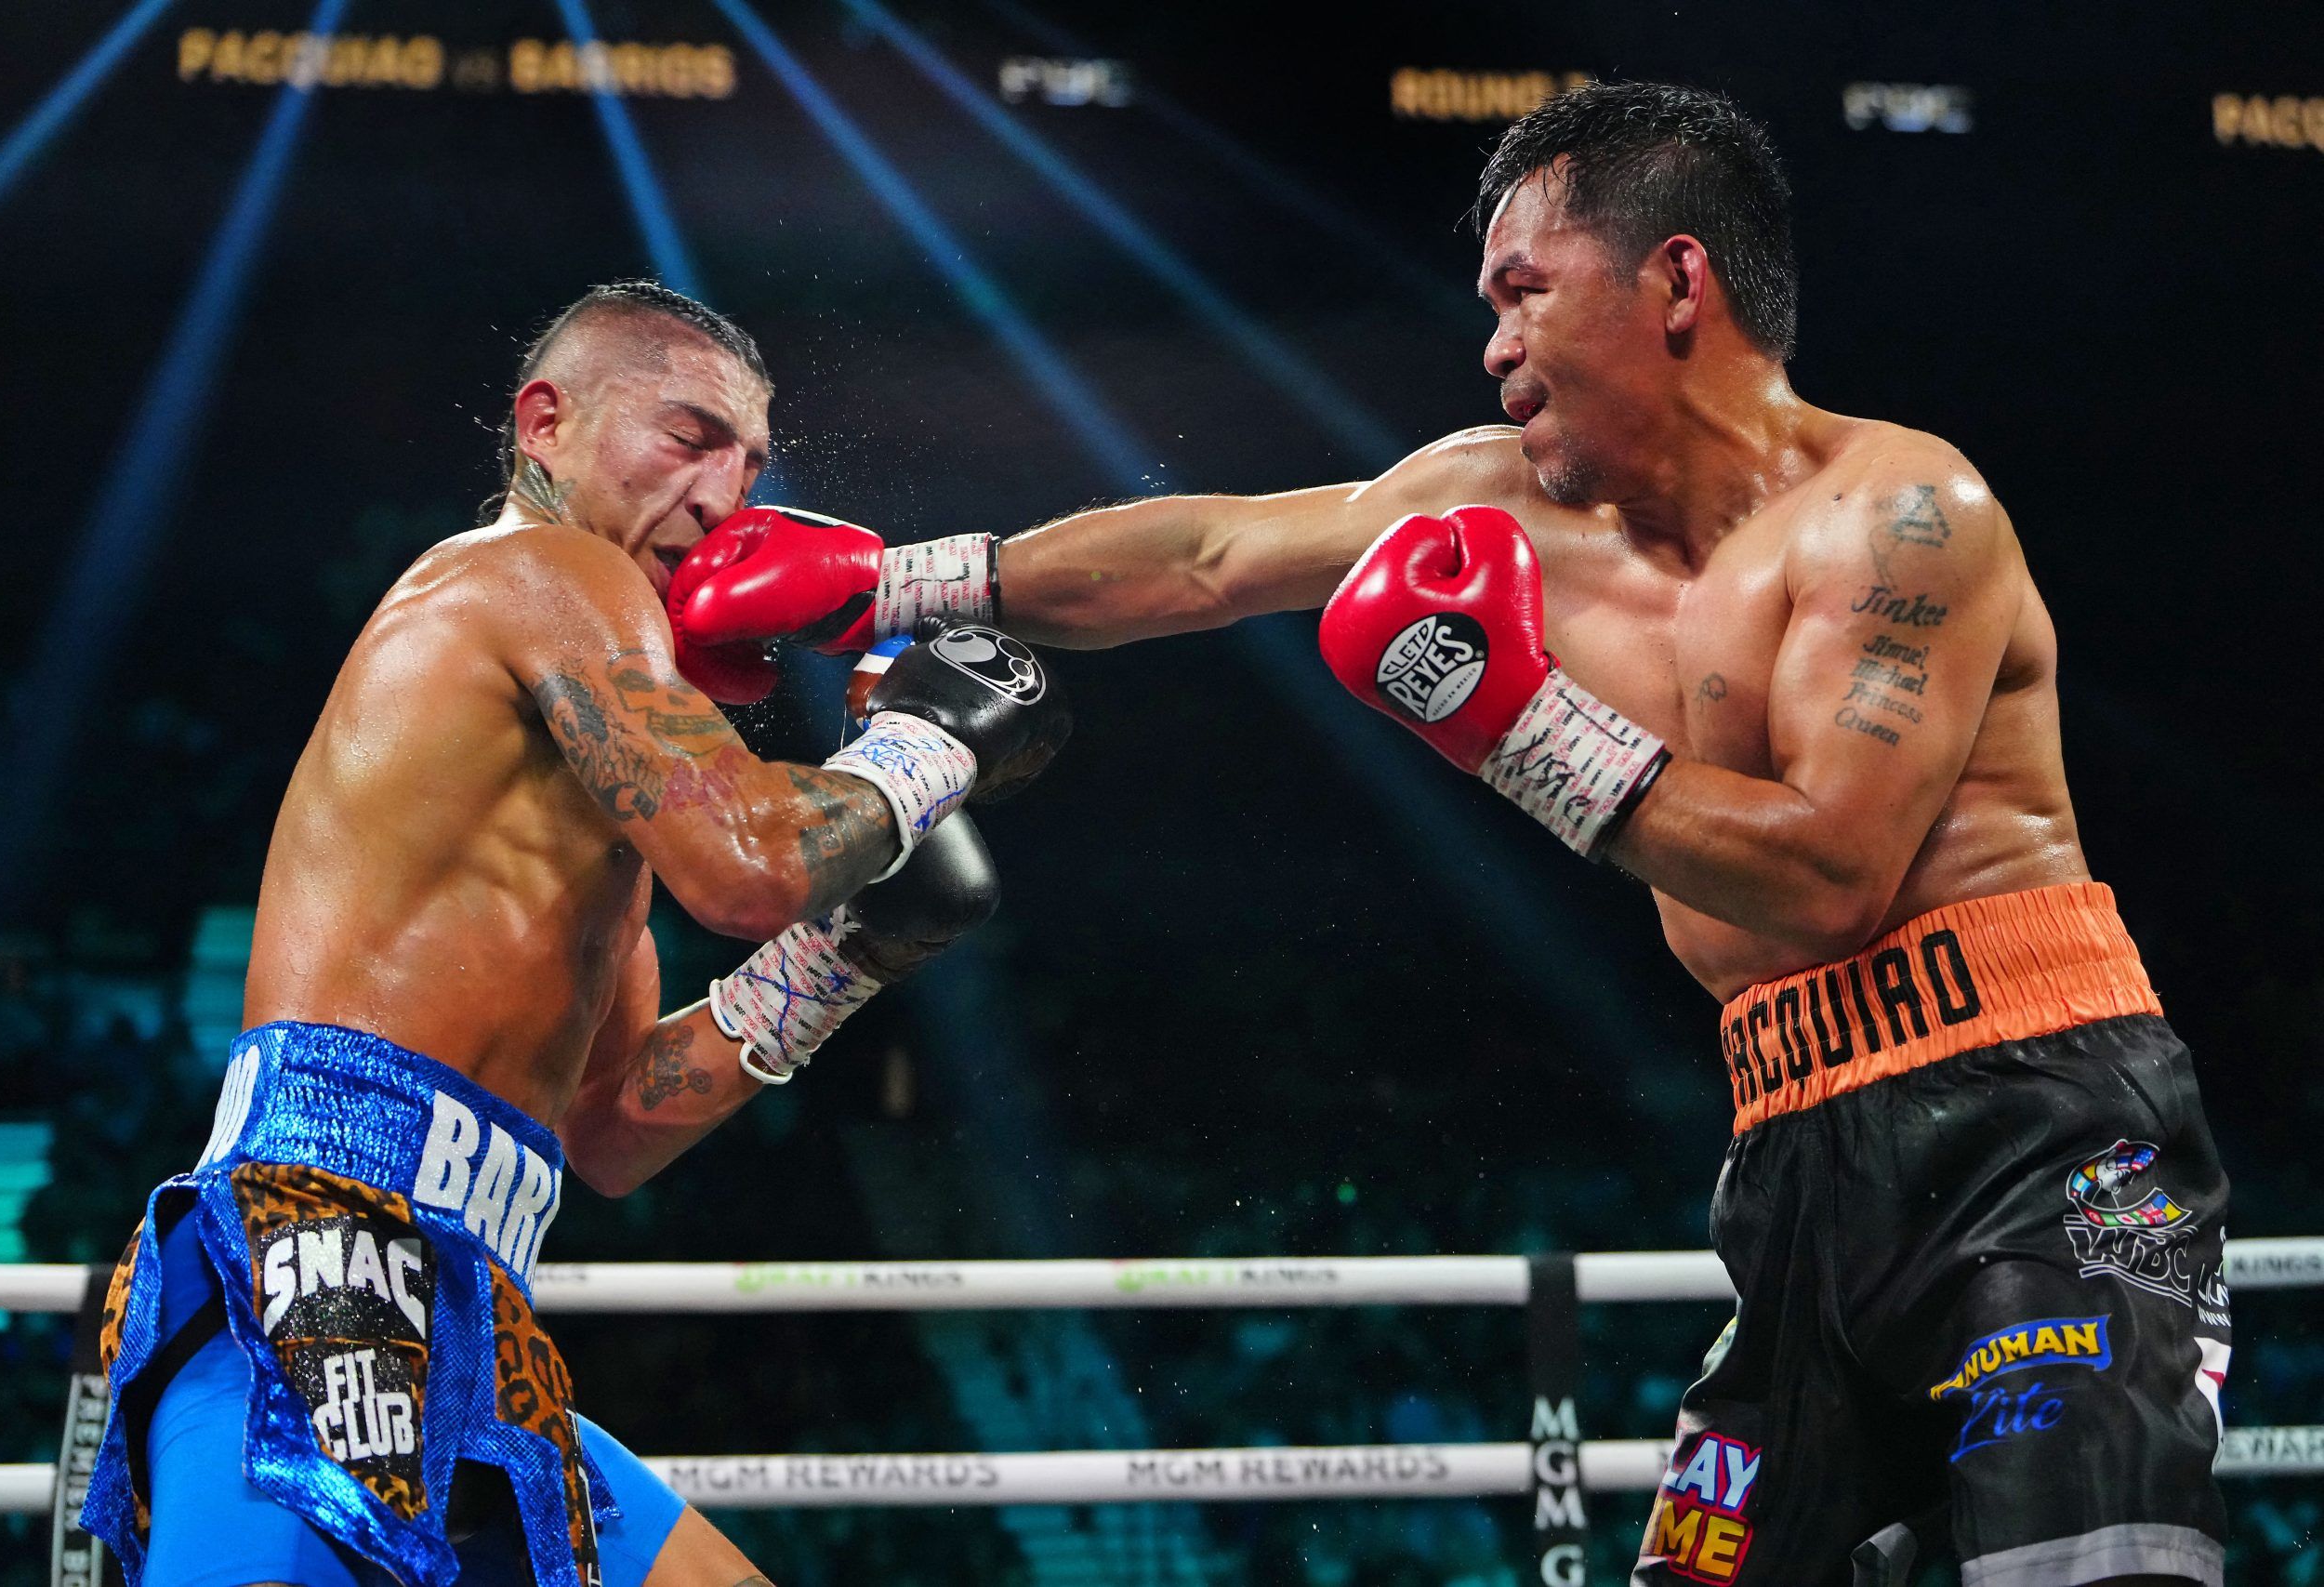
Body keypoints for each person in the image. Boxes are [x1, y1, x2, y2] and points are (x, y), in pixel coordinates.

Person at [665, 84, 2232, 1587]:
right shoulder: (1499, 501)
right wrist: (891, 584)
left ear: (1676, 281)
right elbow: (1211, 554)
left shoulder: (1906, 513)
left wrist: (1515, 722)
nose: (1493, 348)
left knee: (2084, 1566)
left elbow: (1831, 875)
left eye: (1524, 293)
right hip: (1795, 1153)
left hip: (2038, 1134)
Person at [81, 280, 1068, 1587]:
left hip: (470, 1304)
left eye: (749, 465)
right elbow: (752, 866)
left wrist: (842, 957)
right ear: (545, 423)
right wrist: (926, 747)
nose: (724, 497)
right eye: (688, 439)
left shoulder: (593, 818)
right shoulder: (543, 571)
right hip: (317, 1256)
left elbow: (607, 1125)